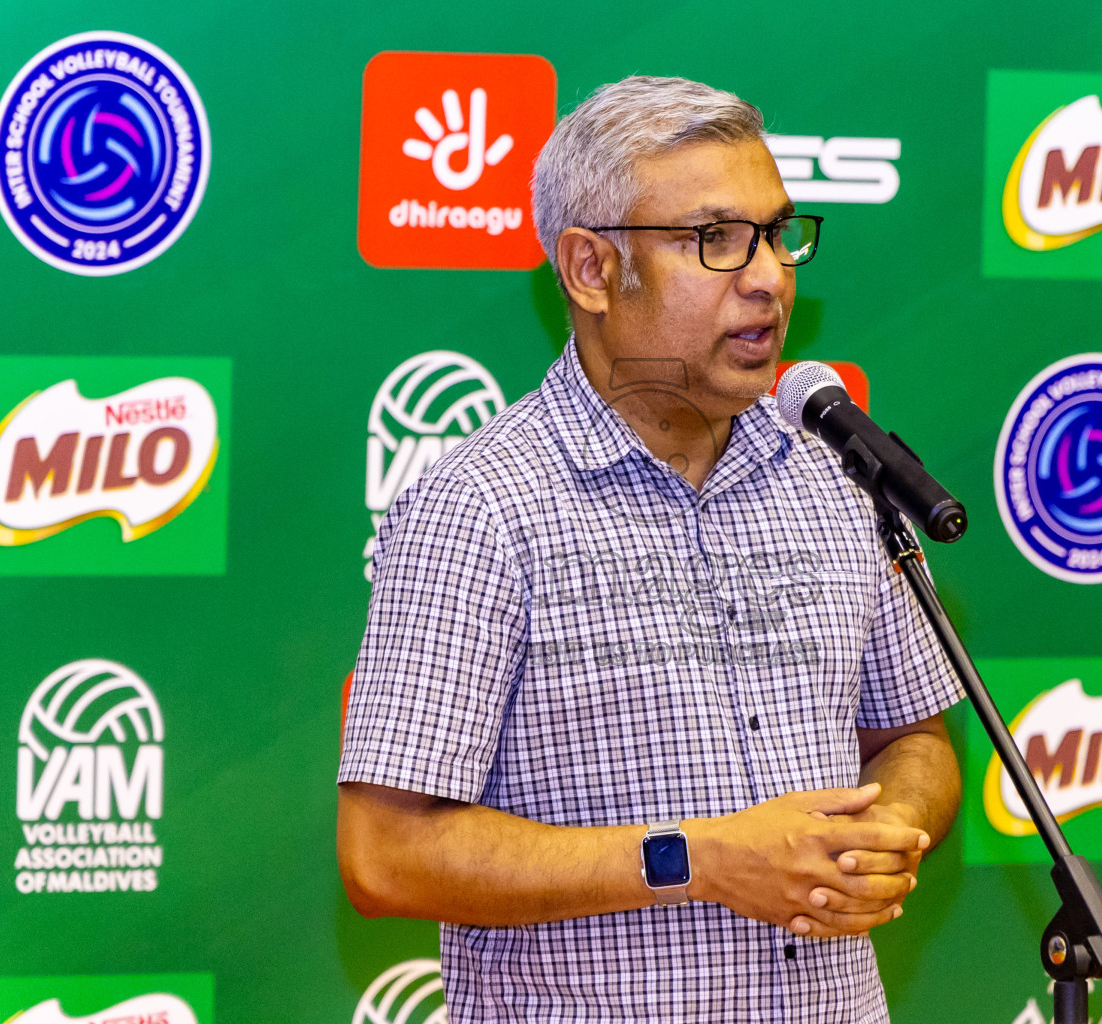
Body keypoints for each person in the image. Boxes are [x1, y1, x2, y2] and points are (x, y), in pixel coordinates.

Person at [337, 75, 965, 1023]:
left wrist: (886, 832)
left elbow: (914, 739)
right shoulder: (483, 509)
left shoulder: (833, 475)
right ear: (590, 269)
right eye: (714, 240)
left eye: (776, 233)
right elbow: (386, 852)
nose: (768, 277)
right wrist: (699, 859)